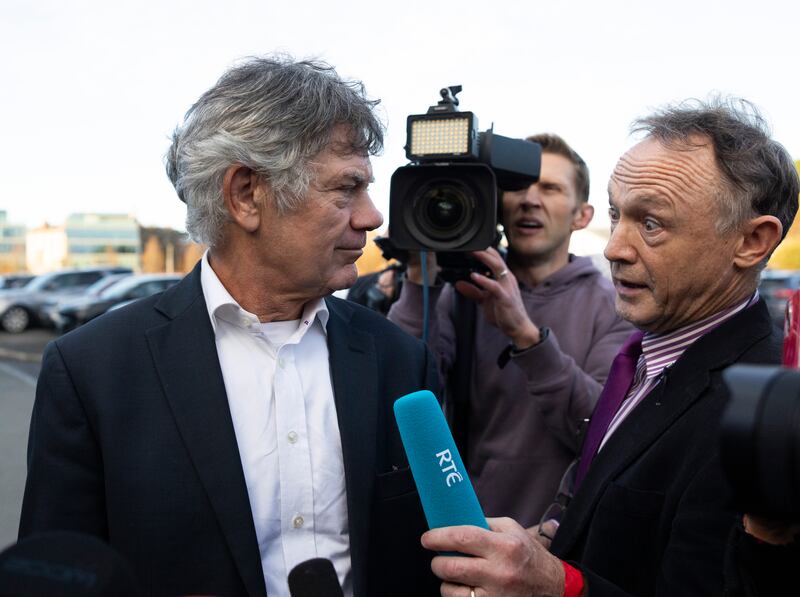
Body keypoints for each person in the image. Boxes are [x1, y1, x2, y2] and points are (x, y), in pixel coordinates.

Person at [19, 57, 440, 597]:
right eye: (346, 188)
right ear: (245, 194)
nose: (371, 216)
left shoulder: (401, 361)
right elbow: (56, 577)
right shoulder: (93, 371)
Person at [419, 98, 799, 596]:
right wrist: (553, 535)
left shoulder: (760, 414)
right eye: (618, 215)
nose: (615, 248)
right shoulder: (646, 357)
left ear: (752, 241)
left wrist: (556, 586)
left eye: (652, 223)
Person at [388, 133, 633, 526]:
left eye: (550, 188)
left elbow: (600, 432)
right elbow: (401, 385)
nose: (529, 199)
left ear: (581, 215)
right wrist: (420, 276)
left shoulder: (613, 306)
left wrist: (525, 335)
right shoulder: (464, 293)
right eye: (518, 187)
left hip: (560, 537)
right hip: (469, 525)